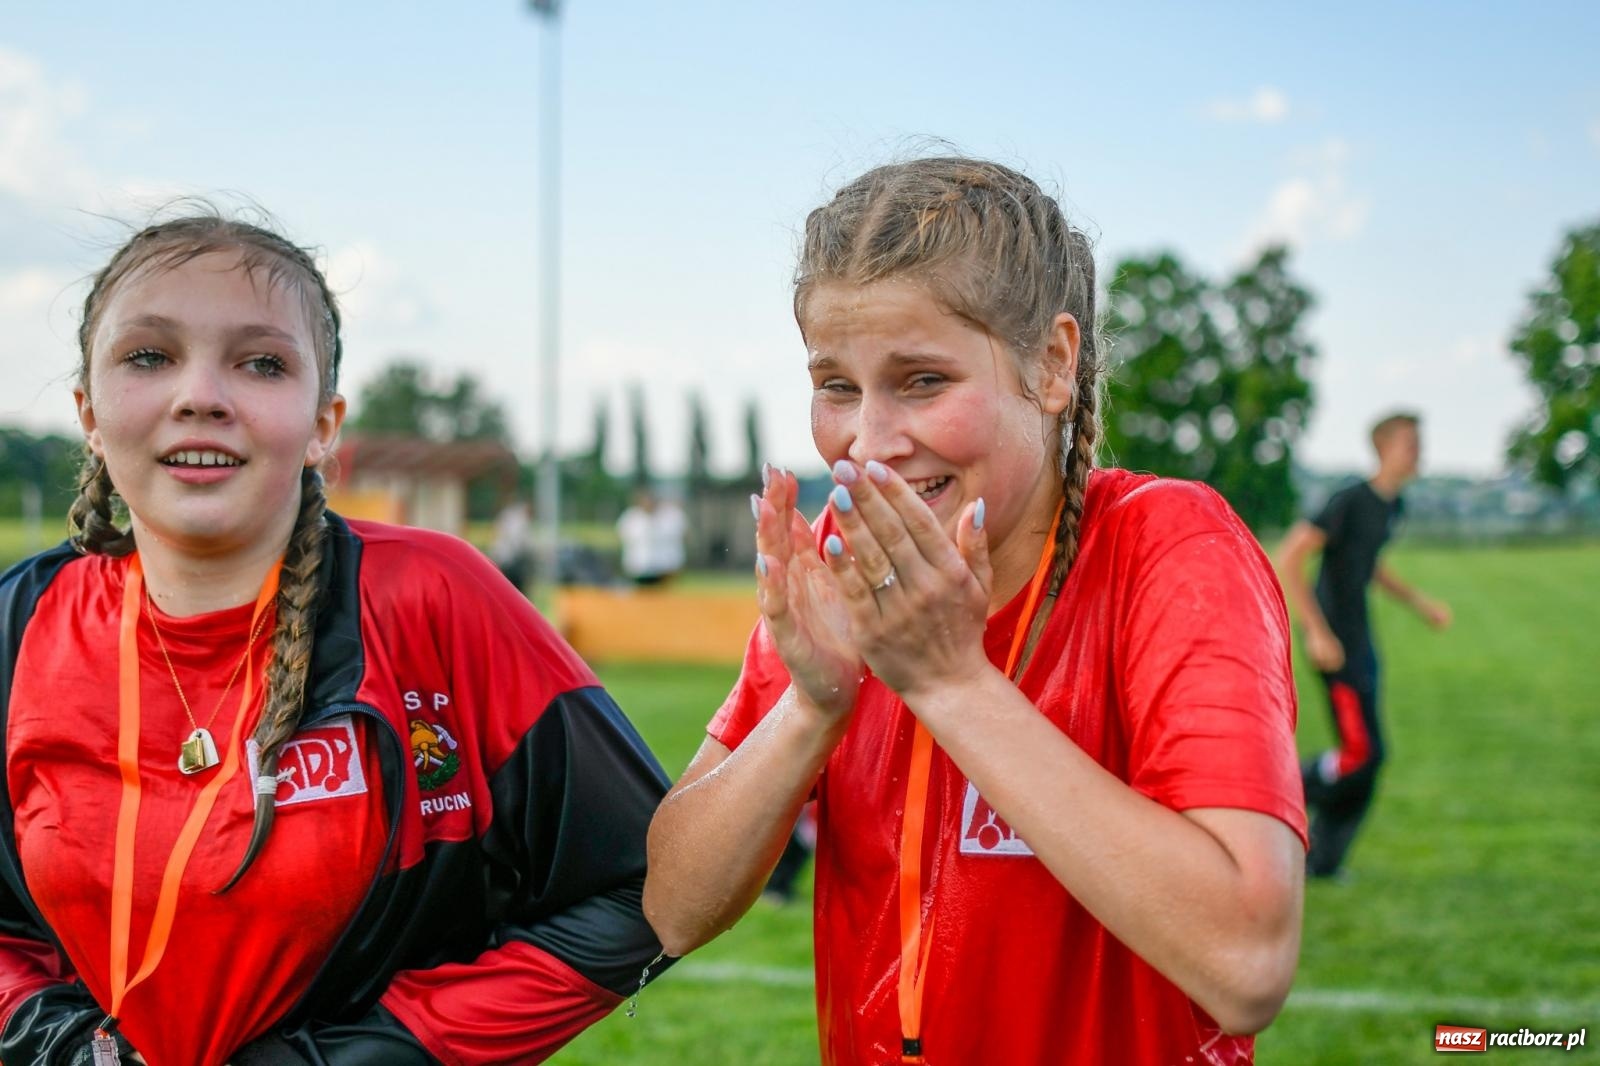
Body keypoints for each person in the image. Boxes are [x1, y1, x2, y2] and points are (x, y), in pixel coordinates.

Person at [644, 157, 1307, 1064]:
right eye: (837, 386)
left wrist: (951, 682)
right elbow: (672, 909)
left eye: (921, 381)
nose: (868, 444)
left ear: (1052, 365)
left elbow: (1247, 959)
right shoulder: (846, 576)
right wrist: (812, 705)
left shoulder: (1168, 549)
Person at [0, 211, 671, 1066]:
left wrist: (365, 1055)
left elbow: (647, 879)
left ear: (324, 423)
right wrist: (50, 1037)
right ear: (89, 412)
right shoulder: (19, 625)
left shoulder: (433, 596)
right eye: (149, 356)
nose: (201, 393)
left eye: (262, 363)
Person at [1274, 412, 1452, 880]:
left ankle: (1324, 863)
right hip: (1335, 645)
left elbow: (1368, 564)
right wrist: (1316, 631)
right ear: (1385, 448)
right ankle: (1275, 788)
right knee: (1360, 754)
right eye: (1411, 443)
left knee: (1371, 759)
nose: (1419, 452)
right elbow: (1291, 556)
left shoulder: (1392, 506)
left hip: (1363, 643)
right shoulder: (1350, 499)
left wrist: (1419, 603)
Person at [615, 488, 686, 587]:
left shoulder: (670, 516)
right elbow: (622, 537)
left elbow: (683, 535)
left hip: (665, 566)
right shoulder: (631, 517)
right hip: (638, 565)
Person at [490, 494, 533, 592]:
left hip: (504, 559)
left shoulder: (508, 516)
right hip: (511, 562)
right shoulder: (518, 520)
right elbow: (518, 542)